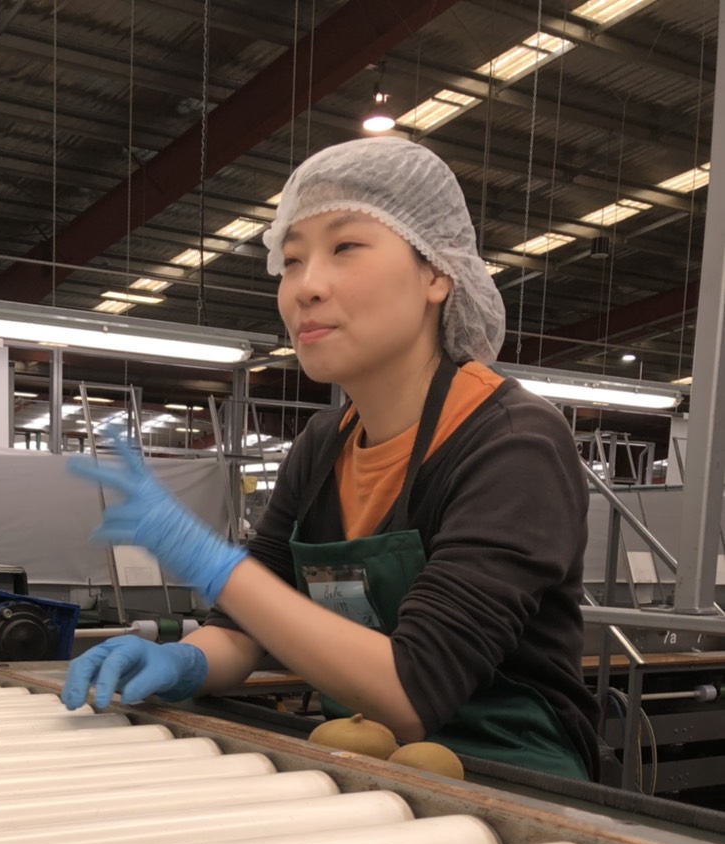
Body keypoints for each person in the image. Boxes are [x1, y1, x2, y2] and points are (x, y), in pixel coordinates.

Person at [62, 136, 600, 781]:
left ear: (436, 274)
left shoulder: (511, 443)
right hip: (359, 769)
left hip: (514, 782)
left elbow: (413, 690)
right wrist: (188, 660)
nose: (306, 287)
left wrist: (207, 559)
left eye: (345, 247)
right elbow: (242, 630)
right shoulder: (324, 446)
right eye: (291, 260)